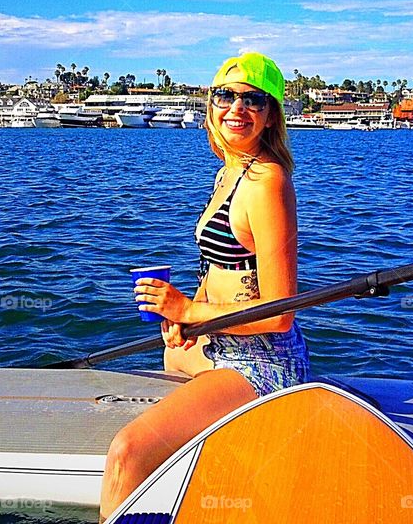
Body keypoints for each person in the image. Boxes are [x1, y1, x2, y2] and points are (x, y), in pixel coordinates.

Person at [98, 52, 311, 521]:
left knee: (126, 452)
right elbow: (219, 273)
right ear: (211, 104)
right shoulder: (230, 170)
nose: (237, 107)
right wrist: (185, 317)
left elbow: (280, 312)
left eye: (253, 99)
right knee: (172, 353)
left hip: (262, 362)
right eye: (225, 95)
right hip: (220, 344)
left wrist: (188, 313)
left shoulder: (268, 181)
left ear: (271, 113)